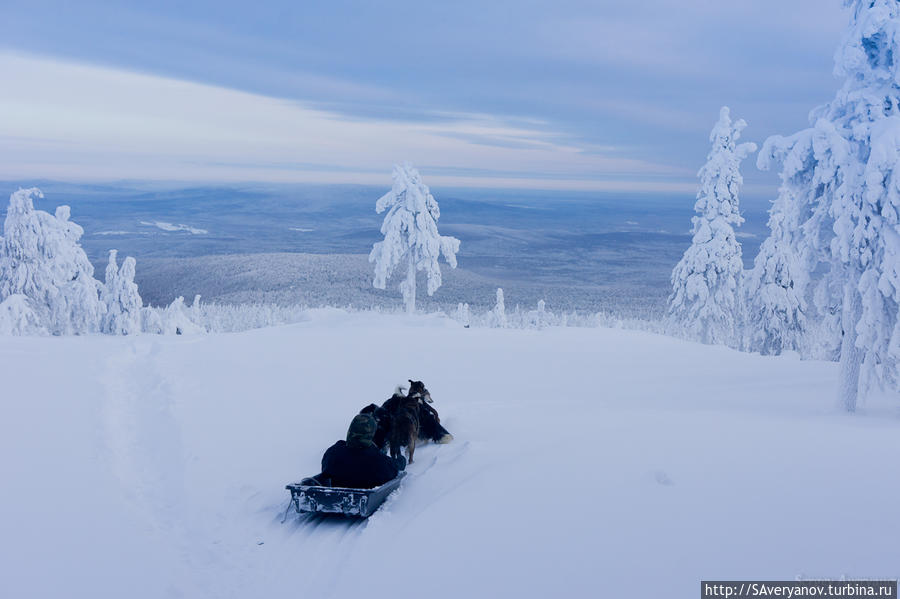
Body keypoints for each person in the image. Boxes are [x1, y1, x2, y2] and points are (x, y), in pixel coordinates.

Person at [318, 414, 406, 489]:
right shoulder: (377, 459)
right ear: (371, 434)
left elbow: (325, 470)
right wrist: (401, 460)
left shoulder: (332, 452)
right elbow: (394, 469)